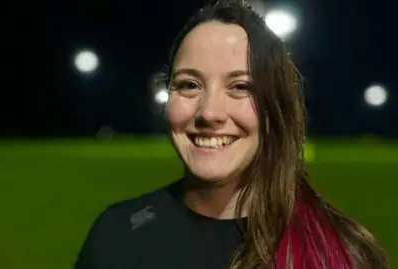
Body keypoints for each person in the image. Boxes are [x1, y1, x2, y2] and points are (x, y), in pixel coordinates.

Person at [74, 1, 389, 268]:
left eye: (240, 87)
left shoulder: (341, 252)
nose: (209, 113)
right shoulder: (116, 238)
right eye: (189, 85)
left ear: (275, 106)